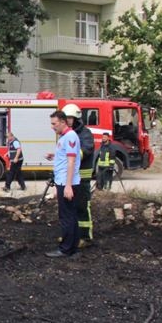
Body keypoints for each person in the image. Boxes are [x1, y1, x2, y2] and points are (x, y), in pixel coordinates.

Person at [45, 109, 82, 258]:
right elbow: (66, 156)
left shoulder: (70, 137)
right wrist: (55, 156)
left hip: (67, 183)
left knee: (66, 216)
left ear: (62, 122)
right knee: (70, 215)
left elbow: (71, 161)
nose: (52, 127)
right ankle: (72, 247)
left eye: (54, 124)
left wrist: (67, 185)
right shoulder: (64, 137)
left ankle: (66, 249)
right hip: (64, 181)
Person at [62, 103, 95, 248]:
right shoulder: (67, 135)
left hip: (82, 178)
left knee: (82, 207)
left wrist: (71, 155)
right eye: (65, 118)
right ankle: (73, 236)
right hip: (70, 178)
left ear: (76, 118)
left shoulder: (85, 134)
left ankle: (85, 237)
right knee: (70, 208)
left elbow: (86, 150)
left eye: (69, 118)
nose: (67, 120)